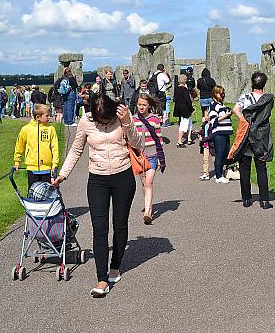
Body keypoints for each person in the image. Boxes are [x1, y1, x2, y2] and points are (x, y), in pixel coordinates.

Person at [52, 96, 139, 298]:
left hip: (123, 177)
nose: (105, 124)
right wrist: (63, 174)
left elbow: (137, 143)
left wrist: (126, 121)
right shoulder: (86, 121)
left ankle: (115, 266)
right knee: (100, 229)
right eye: (101, 121)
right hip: (97, 179)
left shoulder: (122, 115)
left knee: (120, 225)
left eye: (108, 121)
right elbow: (76, 149)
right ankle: (101, 279)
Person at [230, 71, 274, 209]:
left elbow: (235, 109)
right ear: (264, 84)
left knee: (245, 169)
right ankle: (265, 200)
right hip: (261, 137)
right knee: (261, 169)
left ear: (252, 83)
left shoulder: (246, 97)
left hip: (247, 136)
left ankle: (247, 199)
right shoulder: (268, 100)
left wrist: (244, 120)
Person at [134, 93, 166, 224]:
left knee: (148, 182)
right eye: (139, 104)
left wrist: (160, 157)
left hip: (152, 154)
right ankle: (149, 205)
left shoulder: (154, 119)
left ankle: (147, 212)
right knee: (143, 183)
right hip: (139, 156)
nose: (141, 107)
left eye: (144, 105)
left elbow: (159, 139)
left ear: (149, 106)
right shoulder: (133, 119)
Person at [13, 103, 60, 191]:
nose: (49, 117)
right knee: (33, 192)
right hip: (32, 168)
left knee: (47, 192)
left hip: (47, 168)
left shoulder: (50, 129)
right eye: (47, 116)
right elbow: (19, 146)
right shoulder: (26, 129)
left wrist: (55, 164)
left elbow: (55, 148)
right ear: (38, 117)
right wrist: (17, 161)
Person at [208, 85, 233, 184]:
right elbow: (214, 120)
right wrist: (226, 115)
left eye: (223, 93)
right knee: (220, 153)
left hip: (226, 131)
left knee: (225, 153)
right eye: (220, 93)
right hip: (219, 132)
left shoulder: (221, 104)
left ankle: (220, 172)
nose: (222, 95)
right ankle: (218, 176)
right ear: (215, 94)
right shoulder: (213, 104)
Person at [173, 74, 194, 147]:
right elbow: (187, 100)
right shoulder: (184, 89)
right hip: (185, 109)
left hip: (179, 108)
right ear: (185, 81)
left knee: (189, 123)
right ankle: (179, 141)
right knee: (183, 125)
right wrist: (192, 109)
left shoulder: (176, 88)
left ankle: (189, 138)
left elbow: (175, 98)